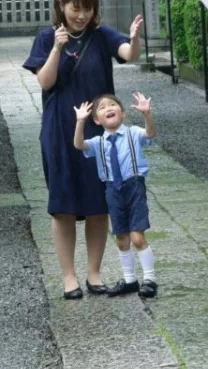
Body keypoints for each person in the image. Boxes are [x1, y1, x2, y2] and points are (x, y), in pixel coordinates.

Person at [23, 0, 145, 299]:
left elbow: (128, 54)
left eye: (87, 9)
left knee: (97, 203)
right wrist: (57, 48)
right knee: (62, 203)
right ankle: (69, 277)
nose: (81, 16)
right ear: (61, 6)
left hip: (99, 132)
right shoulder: (46, 37)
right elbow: (46, 82)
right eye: (75, 9)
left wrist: (134, 40)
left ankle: (93, 272)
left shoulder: (100, 35)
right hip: (60, 130)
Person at [72, 92, 159, 298]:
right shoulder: (97, 142)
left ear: (123, 112)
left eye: (113, 105)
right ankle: (129, 279)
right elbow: (79, 145)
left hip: (134, 185)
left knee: (137, 236)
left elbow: (150, 134)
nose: (108, 108)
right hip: (112, 188)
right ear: (96, 119)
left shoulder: (133, 133)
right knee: (121, 237)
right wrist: (79, 122)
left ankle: (149, 278)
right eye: (102, 107)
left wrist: (147, 114)